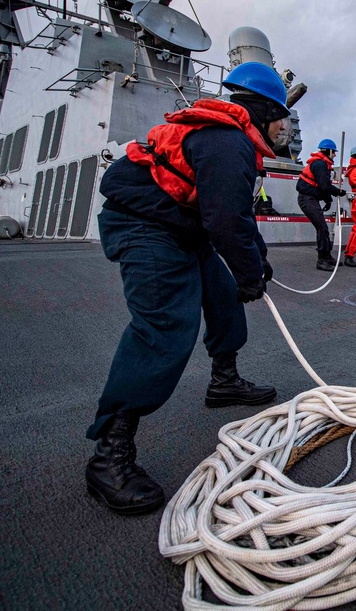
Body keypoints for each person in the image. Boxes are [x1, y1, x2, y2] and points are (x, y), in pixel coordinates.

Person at [87, 61, 287, 515]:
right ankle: (109, 453)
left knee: (224, 297)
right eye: (281, 118)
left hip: (182, 227)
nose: (284, 128)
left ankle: (224, 381)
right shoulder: (229, 144)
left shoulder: (231, 141)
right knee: (165, 325)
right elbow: (224, 220)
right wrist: (250, 271)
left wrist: (255, 264)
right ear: (261, 111)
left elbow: (235, 214)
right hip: (145, 225)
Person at [297, 139, 346, 271]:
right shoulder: (320, 165)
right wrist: (338, 192)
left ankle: (326, 256)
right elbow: (325, 186)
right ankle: (322, 259)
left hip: (311, 198)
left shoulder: (320, 164)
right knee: (322, 228)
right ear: (329, 151)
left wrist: (328, 199)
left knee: (323, 228)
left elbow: (321, 186)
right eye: (334, 152)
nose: (335, 155)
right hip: (307, 199)